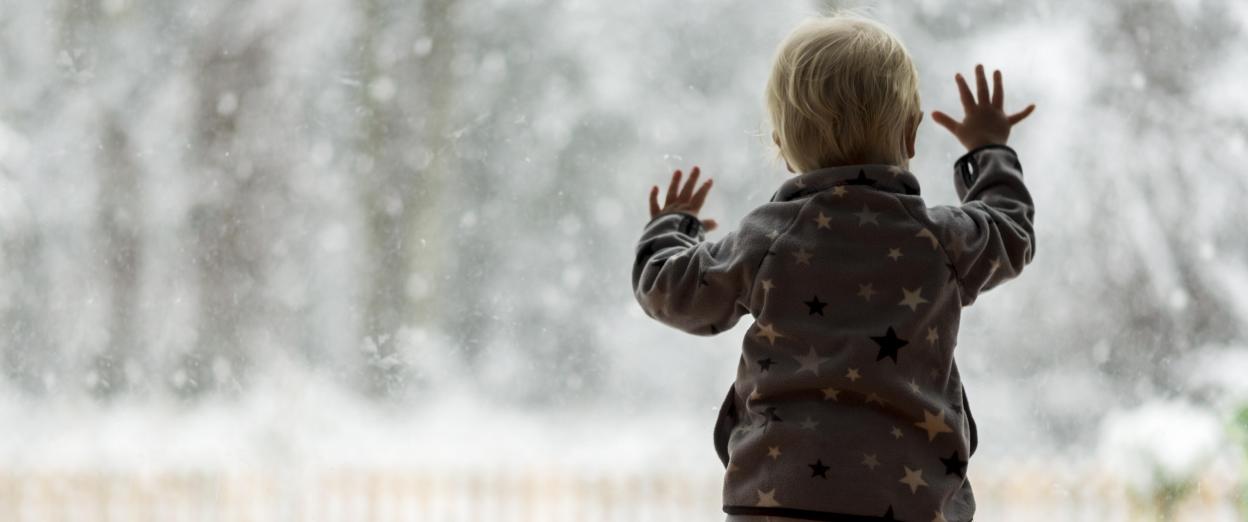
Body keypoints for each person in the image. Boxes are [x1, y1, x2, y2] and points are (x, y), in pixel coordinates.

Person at [631, 14, 1036, 522]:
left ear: (782, 148)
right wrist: (989, 151)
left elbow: (667, 289)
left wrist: (671, 227)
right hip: (910, 502)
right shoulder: (939, 239)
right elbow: (1011, 231)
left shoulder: (766, 240)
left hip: (776, 500)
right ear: (911, 134)